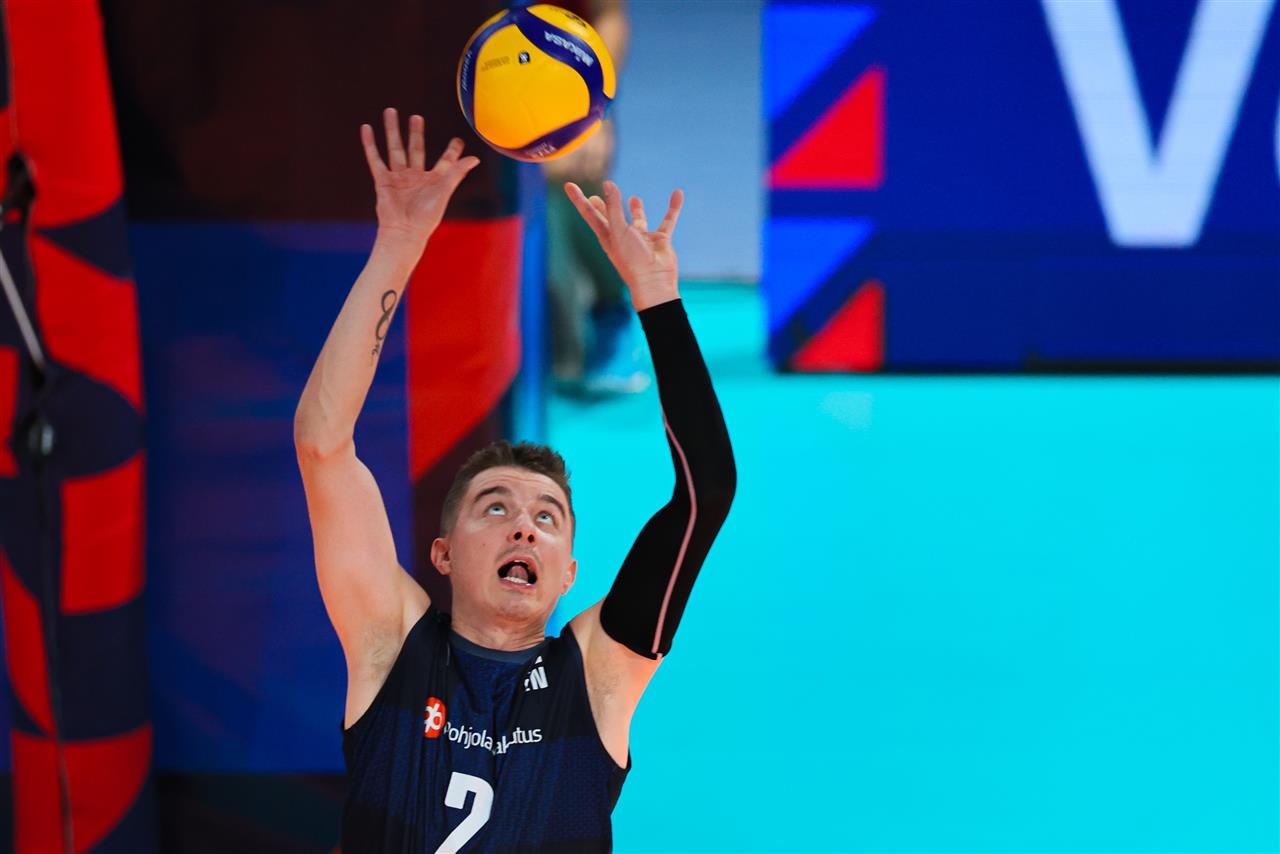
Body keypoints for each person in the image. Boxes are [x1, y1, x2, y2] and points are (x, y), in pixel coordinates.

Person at [293, 109, 735, 852]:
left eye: (547, 517)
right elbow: (323, 444)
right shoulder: (391, 648)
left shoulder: (596, 677)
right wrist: (398, 246)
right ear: (441, 554)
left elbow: (706, 493)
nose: (524, 525)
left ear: (569, 574)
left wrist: (657, 295)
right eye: (494, 508)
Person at [542, 0, 649, 397]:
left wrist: (594, 112)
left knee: (570, 180)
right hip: (470, 80)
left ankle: (610, 312)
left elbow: (607, 14)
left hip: (566, 85)